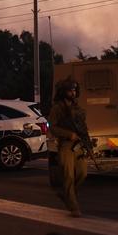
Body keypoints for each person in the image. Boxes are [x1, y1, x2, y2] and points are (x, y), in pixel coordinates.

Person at [48, 78, 90, 217]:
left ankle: (68, 194)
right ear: (64, 92)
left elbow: (83, 128)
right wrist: (68, 134)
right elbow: (52, 127)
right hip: (66, 145)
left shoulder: (77, 108)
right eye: (70, 90)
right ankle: (73, 206)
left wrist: (88, 145)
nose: (73, 92)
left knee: (82, 173)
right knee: (68, 176)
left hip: (79, 145)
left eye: (74, 90)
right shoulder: (58, 108)